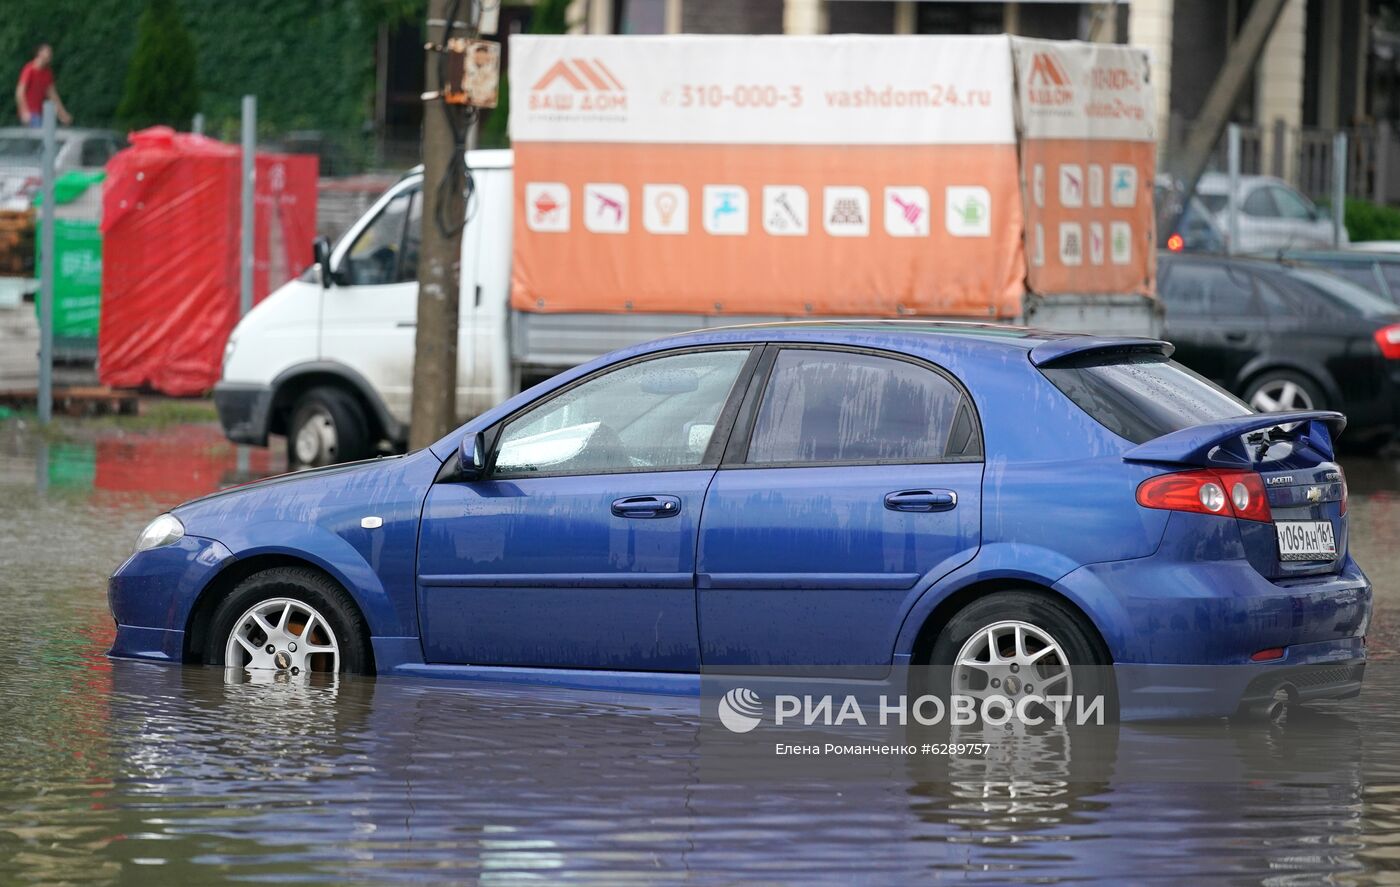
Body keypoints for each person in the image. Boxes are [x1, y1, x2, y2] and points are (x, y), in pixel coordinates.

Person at [15, 44, 72, 128]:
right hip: (30, 115)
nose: (50, 54)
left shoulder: (47, 73)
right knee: (40, 138)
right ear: (40, 53)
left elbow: (53, 95)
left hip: (42, 113)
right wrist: (24, 112)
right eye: (48, 52)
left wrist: (63, 114)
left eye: (50, 52)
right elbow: (19, 92)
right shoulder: (29, 69)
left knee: (48, 136)